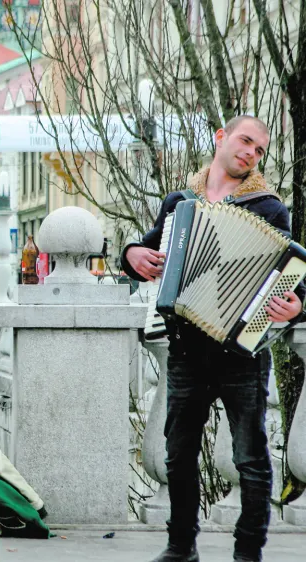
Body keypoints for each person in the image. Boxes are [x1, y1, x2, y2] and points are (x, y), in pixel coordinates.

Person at [123, 115, 304, 562]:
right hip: (185, 346)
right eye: (245, 141)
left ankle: (248, 553)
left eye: (260, 149)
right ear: (221, 137)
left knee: (251, 458)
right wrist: (132, 254)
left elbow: (292, 278)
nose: (251, 153)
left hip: (242, 352)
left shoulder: (268, 209)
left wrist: (296, 304)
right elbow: (144, 252)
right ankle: (181, 546)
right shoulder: (179, 202)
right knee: (178, 453)